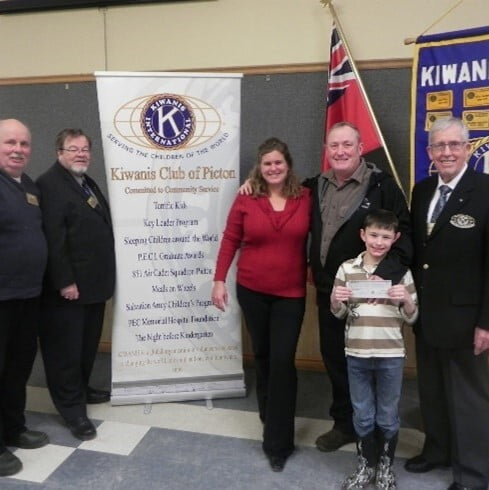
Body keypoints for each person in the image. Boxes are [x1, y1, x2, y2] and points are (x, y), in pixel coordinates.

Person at [304, 122, 412, 452]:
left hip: (373, 301)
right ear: (327, 151)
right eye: (334, 146)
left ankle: (380, 430)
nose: (340, 151)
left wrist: (385, 278)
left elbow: (404, 235)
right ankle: (345, 424)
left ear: (360, 148)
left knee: (373, 365)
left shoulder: (382, 187)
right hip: (332, 293)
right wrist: (253, 183)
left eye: (347, 145)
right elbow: (276, 190)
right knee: (336, 359)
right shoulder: (315, 186)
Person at [212, 137, 311, 472]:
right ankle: (269, 412)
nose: (273, 169)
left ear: (288, 165)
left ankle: (278, 443)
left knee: (283, 362)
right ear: (260, 166)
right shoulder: (246, 199)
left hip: (291, 295)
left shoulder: (307, 197)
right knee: (265, 357)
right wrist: (218, 280)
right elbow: (229, 240)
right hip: (252, 291)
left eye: (278, 163)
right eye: (267, 163)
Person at [405, 117, 489, 490]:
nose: (447, 152)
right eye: (439, 146)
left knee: (469, 399)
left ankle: (473, 473)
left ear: (468, 149)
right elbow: (417, 251)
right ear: (430, 153)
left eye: (454, 144)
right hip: (427, 314)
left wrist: (486, 321)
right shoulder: (421, 191)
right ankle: (437, 449)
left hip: (468, 317)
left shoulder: (485, 190)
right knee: (433, 390)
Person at [36, 129, 115, 441]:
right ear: (59, 153)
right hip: (70, 290)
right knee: (65, 351)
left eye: (85, 149)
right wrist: (65, 281)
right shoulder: (50, 184)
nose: (81, 154)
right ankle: (72, 410)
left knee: (85, 346)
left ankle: (81, 389)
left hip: (92, 286)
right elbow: (54, 240)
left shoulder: (84, 182)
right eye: (73, 149)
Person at [330, 209, 417, 490]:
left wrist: (406, 300)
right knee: (362, 413)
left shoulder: (401, 272)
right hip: (356, 353)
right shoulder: (347, 268)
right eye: (374, 235)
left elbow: (412, 316)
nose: (379, 242)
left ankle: (386, 467)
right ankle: (366, 465)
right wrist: (335, 299)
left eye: (386, 236)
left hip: (391, 354)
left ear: (396, 238)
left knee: (388, 414)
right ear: (363, 235)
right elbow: (339, 312)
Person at [0, 119, 49, 476]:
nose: (18, 149)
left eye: (24, 144)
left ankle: (13, 428)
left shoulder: (27, 186)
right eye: (9, 143)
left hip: (28, 296)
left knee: (17, 369)